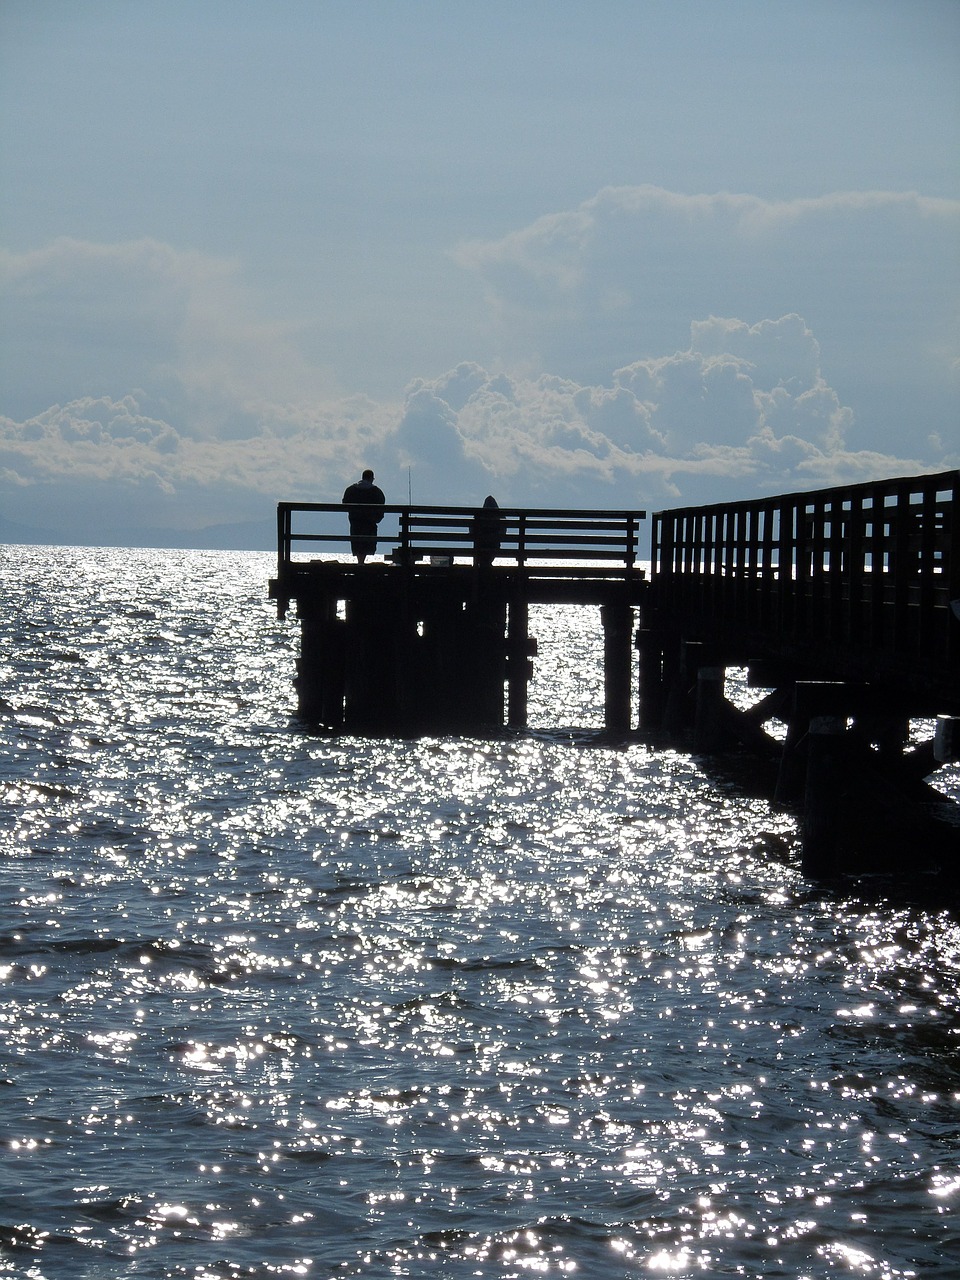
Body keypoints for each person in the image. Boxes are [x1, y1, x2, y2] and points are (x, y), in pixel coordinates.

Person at [342, 469, 386, 563]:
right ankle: (362, 563)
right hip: (369, 522)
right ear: (371, 478)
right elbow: (381, 508)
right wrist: (377, 518)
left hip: (355, 521)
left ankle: (360, 562)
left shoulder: (351, 490)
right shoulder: (376, 492)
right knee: (367, 542)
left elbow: (345, 504)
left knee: (357, 542)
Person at [471, 494, 503, 567]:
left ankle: (480, 565)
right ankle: (487, 564)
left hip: (479, 547)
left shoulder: (478, 518)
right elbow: (503, 533)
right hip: (493, 547)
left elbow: (472, 532)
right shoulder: (499, 520)